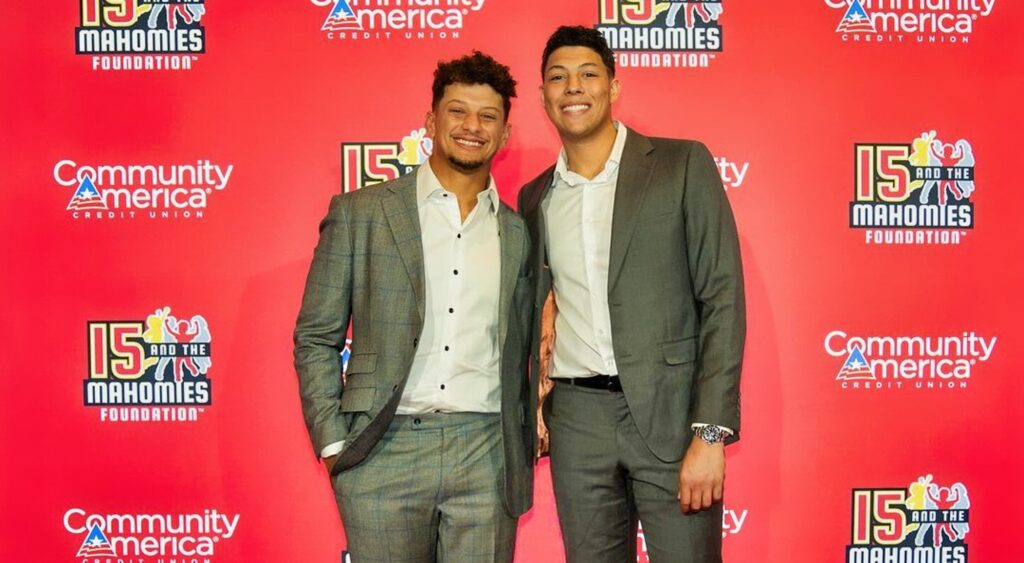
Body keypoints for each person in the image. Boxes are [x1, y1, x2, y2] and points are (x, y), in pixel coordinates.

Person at [295, 51, 534, 562]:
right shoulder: (361, 213)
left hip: (487, 450)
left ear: (505, 134)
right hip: (383, 447)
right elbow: (317, 335)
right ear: (431, 121)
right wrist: (335, 445)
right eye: (458, 111)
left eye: (488, 116)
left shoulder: (519, 232)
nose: (472, 126)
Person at [518, 26, 746, 563]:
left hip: (671, 417)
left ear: (614, 86)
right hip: (577, 421)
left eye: (588, 74)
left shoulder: (681, 164)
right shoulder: (536, 197)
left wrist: (710, 433)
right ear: (542, 96)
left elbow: (722, 298)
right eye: (558, 77)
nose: (573, 87)